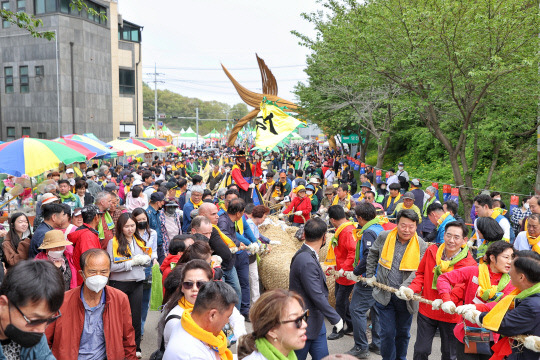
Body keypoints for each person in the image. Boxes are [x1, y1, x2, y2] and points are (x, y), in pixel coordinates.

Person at [396, 221, 476, 360]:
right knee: (421, 350)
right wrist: (411, 289)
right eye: (448, 235)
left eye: (456, 237)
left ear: (464, 240)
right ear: (443, 235)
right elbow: (420, 274)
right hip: (427, 309)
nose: (451, 240)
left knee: (449, 354)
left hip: (451, 313)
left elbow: (462, 289)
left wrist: (446, 300)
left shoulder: (470, 264)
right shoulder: (432, 251)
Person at [46, 248, 137, 360]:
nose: (98, 276)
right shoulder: (62, 302)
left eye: (104, 272)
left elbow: (128, 340)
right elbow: (44, 342)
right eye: (92, 272)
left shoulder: (120, 299)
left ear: (109, 272)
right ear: (82, 273)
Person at [366, 209, 428, 360]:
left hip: (406, 298)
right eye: (403, 225)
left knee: (403, 333)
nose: (407, 230)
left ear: (416, 227)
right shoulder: (384, 236)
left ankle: (401, 358)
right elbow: (373, 253)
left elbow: (419, 271)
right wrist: (369, 275)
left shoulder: (421, 244)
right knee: (386, 333)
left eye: (411, 227)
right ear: (397, 224)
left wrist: (405, 287)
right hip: (384, 294)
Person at [436, 241, 515, 359]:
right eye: (506, 257)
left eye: (512, 258)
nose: (510, 261)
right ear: (492, 257)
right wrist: (446, 299)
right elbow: (444, 278)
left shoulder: (511, 282)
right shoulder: (474, 271)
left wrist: (474, 307)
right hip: (468, 333)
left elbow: (500, 305)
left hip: (493, 338)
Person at [160, 259, 246, 348]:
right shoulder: (176, 320)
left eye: (200, 284)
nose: (194, 289)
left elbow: (237, 322)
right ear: (182, 288)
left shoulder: (217, 301)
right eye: (188, 284)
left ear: (211, 285)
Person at [289, 218, 342, 360]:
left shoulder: (306, 254)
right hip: (305, 321)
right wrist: (335, 317)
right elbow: (316, 294)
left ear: (304, 234)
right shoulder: (306, 260)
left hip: (315, 321)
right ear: (324, 237)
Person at [474, 251, 540, 360]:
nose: (509, 272)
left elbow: (505, 324)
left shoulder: (532, 304)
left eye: (512, 269)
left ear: (521, 277)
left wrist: (476, 315)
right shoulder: (526, 294)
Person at [107, 212, 152, 357]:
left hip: (137, 283)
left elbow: (147, 259)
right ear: (120, 227)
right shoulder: (113, 242)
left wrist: (146, 260)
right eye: (126, 226)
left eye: (133, 225)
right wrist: (131, 263)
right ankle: (117, 345)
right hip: (118, 283)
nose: (130, 229)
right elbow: (111, 267)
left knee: (136, 317)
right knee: (118, 317)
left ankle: (136, 347)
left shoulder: (140, 241)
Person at [0, 260, 64, 359]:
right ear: (3, 304)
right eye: (34, 321)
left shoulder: (33, 335)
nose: (41, 330)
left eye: (48, 320)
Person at [344, 203, 384, 358]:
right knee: (376, 310)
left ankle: (361, 347)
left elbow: (368, 256)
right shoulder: (380, 228)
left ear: (359, 218)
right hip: (380, 276)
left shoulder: (368, 232)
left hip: (368, 278)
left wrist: (356, 272)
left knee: (357, 309)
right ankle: (378, 344)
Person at [163, 281, 239, 360]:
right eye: (228, 317)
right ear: (212, 315)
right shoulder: (192, 355)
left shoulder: (187, 322)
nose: (227, 322)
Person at [237, 289, 308, 360]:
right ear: (272, 331)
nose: (305, 324)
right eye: (297, 320)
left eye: (304, 316)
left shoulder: (289, 356)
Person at [326, 205, 356, 340]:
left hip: (346, 273)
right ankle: (351, 325)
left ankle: (338, 329)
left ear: (332, 220)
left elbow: (353, 252)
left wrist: (344, 268)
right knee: (342, 300)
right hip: (341, 270)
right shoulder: (344, 228)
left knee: (340, 301)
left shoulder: (347, 231)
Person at [132, 207, 159, 340]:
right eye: (139, 220)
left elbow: (153, 250)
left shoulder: (152, 233)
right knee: (133, 299)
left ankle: (141, 327)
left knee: (144, 300)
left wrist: (154, 259)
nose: (142, 221)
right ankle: (133, 327)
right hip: (133, 268)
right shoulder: (131, 233)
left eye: (144, 219)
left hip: (147, 268)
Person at [68, 204, 102, 286]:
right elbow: (89, 261)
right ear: (96, 217)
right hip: (87, 281)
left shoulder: (86, 233)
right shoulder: (87, 236)